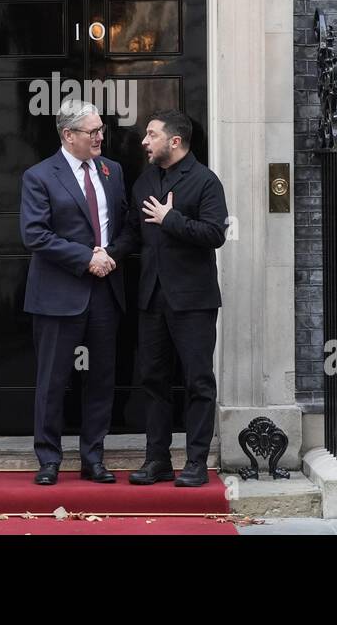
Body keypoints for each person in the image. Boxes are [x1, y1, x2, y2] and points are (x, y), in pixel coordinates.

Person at [106, 109, 228, 488]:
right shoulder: (144, 182)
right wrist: (107, 254)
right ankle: (156, 459)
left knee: (198, 382)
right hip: (152, 300)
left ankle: (195, 463)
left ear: (174, 141)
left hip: (193, 301)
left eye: (151, 134)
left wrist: (171, 219)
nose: (144, 141)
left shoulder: (206, 181)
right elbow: (131, 232)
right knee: (153, 381)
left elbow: (214, 234)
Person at [19, 100, 129, 485]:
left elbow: (123, 225)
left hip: (105, 291)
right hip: (58, 293)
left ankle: (93, 458)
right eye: (92, 131)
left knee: (101, 378)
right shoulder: (39, 175)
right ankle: (48, 459)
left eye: (101, 130)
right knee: (52, 380)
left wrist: (109, 255)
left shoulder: (111, 170)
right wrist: (87, 258)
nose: (100, 136)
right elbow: (35, 234)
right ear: (68, 135)